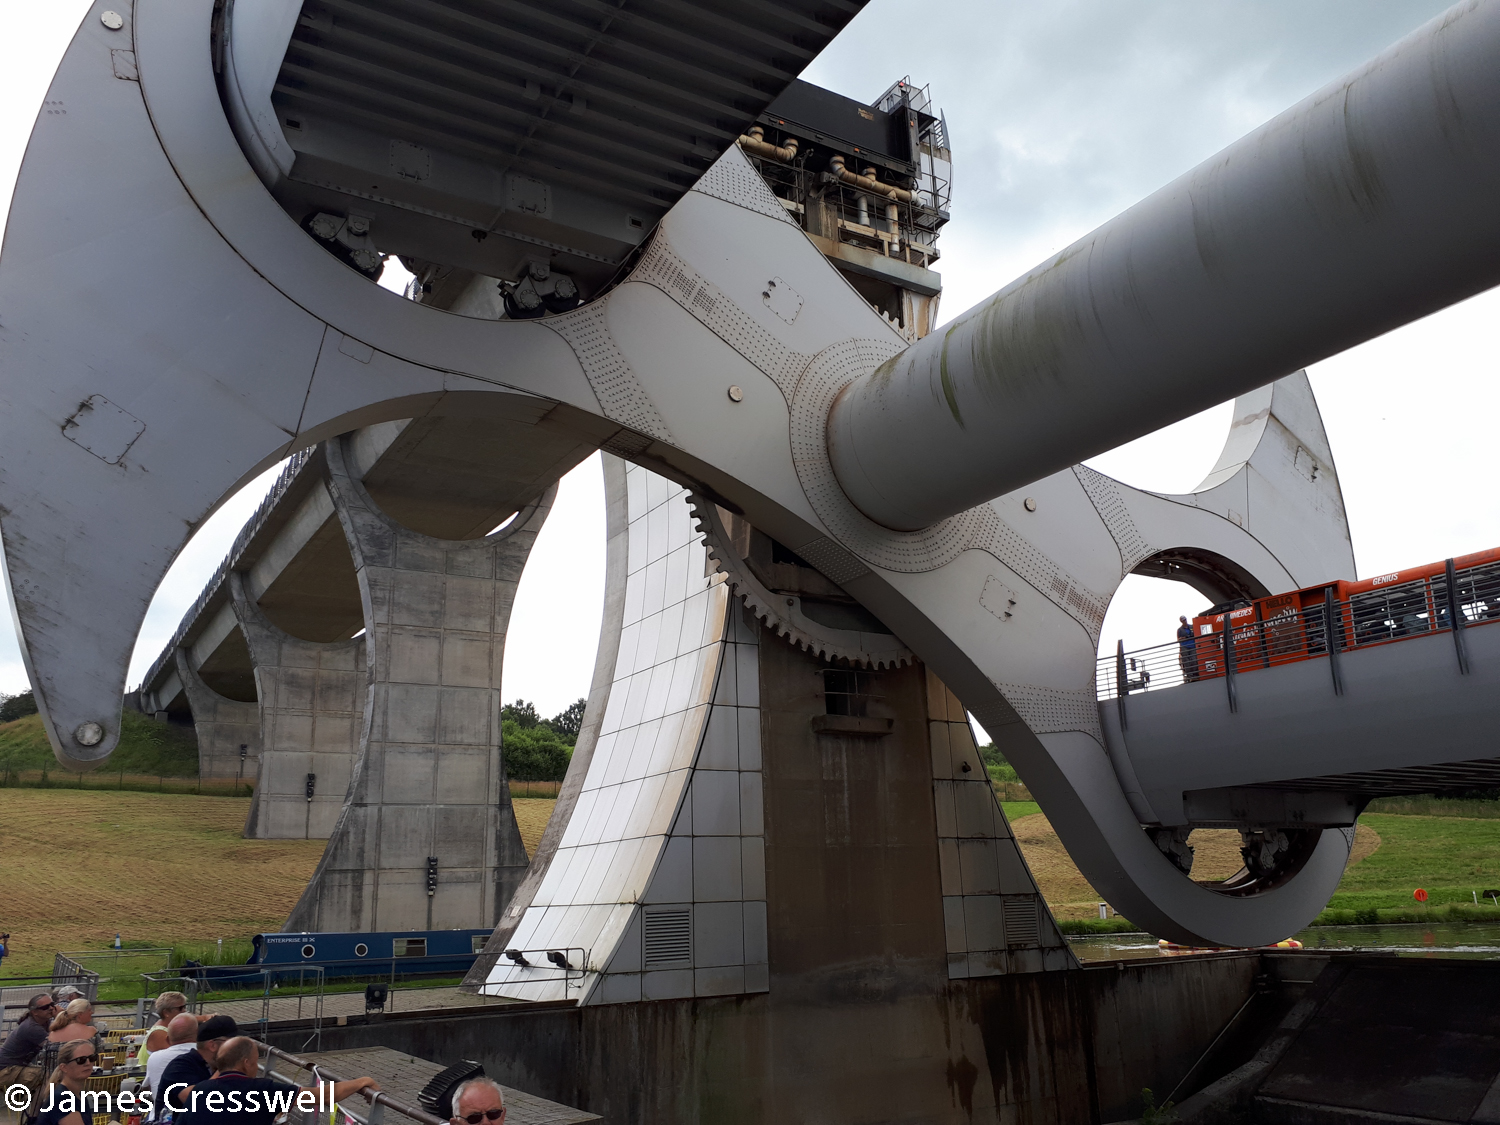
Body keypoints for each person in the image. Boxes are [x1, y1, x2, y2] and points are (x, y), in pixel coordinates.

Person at [178, 1037, 378, 1125]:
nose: (257, 1068)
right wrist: (362, 1081)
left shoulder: (200, 1091)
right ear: (246, 1063)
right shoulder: (264, 1091)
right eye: (256, 1062)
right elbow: (324, 1096)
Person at [157, 1016, 238, 1119]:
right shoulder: (180, 1066)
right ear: (212, 1045)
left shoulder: (214, 1067)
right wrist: (226, 1065)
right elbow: (195, 1100)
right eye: (233, 1043)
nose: (237, 1048)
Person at [0, 994, 57, 1108]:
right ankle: (36, 1115)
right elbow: (55, 1046)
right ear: (35, 1012)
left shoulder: (44, 1023)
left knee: (49, 1074)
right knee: (49, 1075)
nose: (51, 1008)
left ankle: (36, 1107)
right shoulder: (32, 1027)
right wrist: (61, 1016)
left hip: (16, 1066)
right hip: (5, 1070)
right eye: (45, 1007)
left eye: (52, 1004)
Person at [33, 1038, 98, 1125]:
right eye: (81, 1060)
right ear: (64, 1067)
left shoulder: (78, 1094)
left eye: (92, 1058)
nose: (88, 1063)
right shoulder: (62, 1099)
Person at [143, 1014, 199, 1111]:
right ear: (198, 1034)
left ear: (167, 1039)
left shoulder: (155, 1057)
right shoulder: (206, 1056)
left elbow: (147, 1088)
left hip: (160, 1117)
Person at [140, 992, 197, 1065]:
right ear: (166, 1012)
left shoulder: (165, 1025)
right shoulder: (159, 1033)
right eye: (180, 1008)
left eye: (184, 1007)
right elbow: (180, 1056)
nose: (184, 1011)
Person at [1176, 615, 1199, 682]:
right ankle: (1189, 676)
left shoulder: (1192, 627)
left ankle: (1195, 675)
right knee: (1186, 662)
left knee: (1194, 660)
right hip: (1184, 647)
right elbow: (1178, 639)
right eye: (1183, 620)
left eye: (1185, 620)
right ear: (1181, 621)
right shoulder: (1179, 630)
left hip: (1193, 646)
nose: (1184, 621)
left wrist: (1188, 636)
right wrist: (1183, 638)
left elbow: (1195, 634)